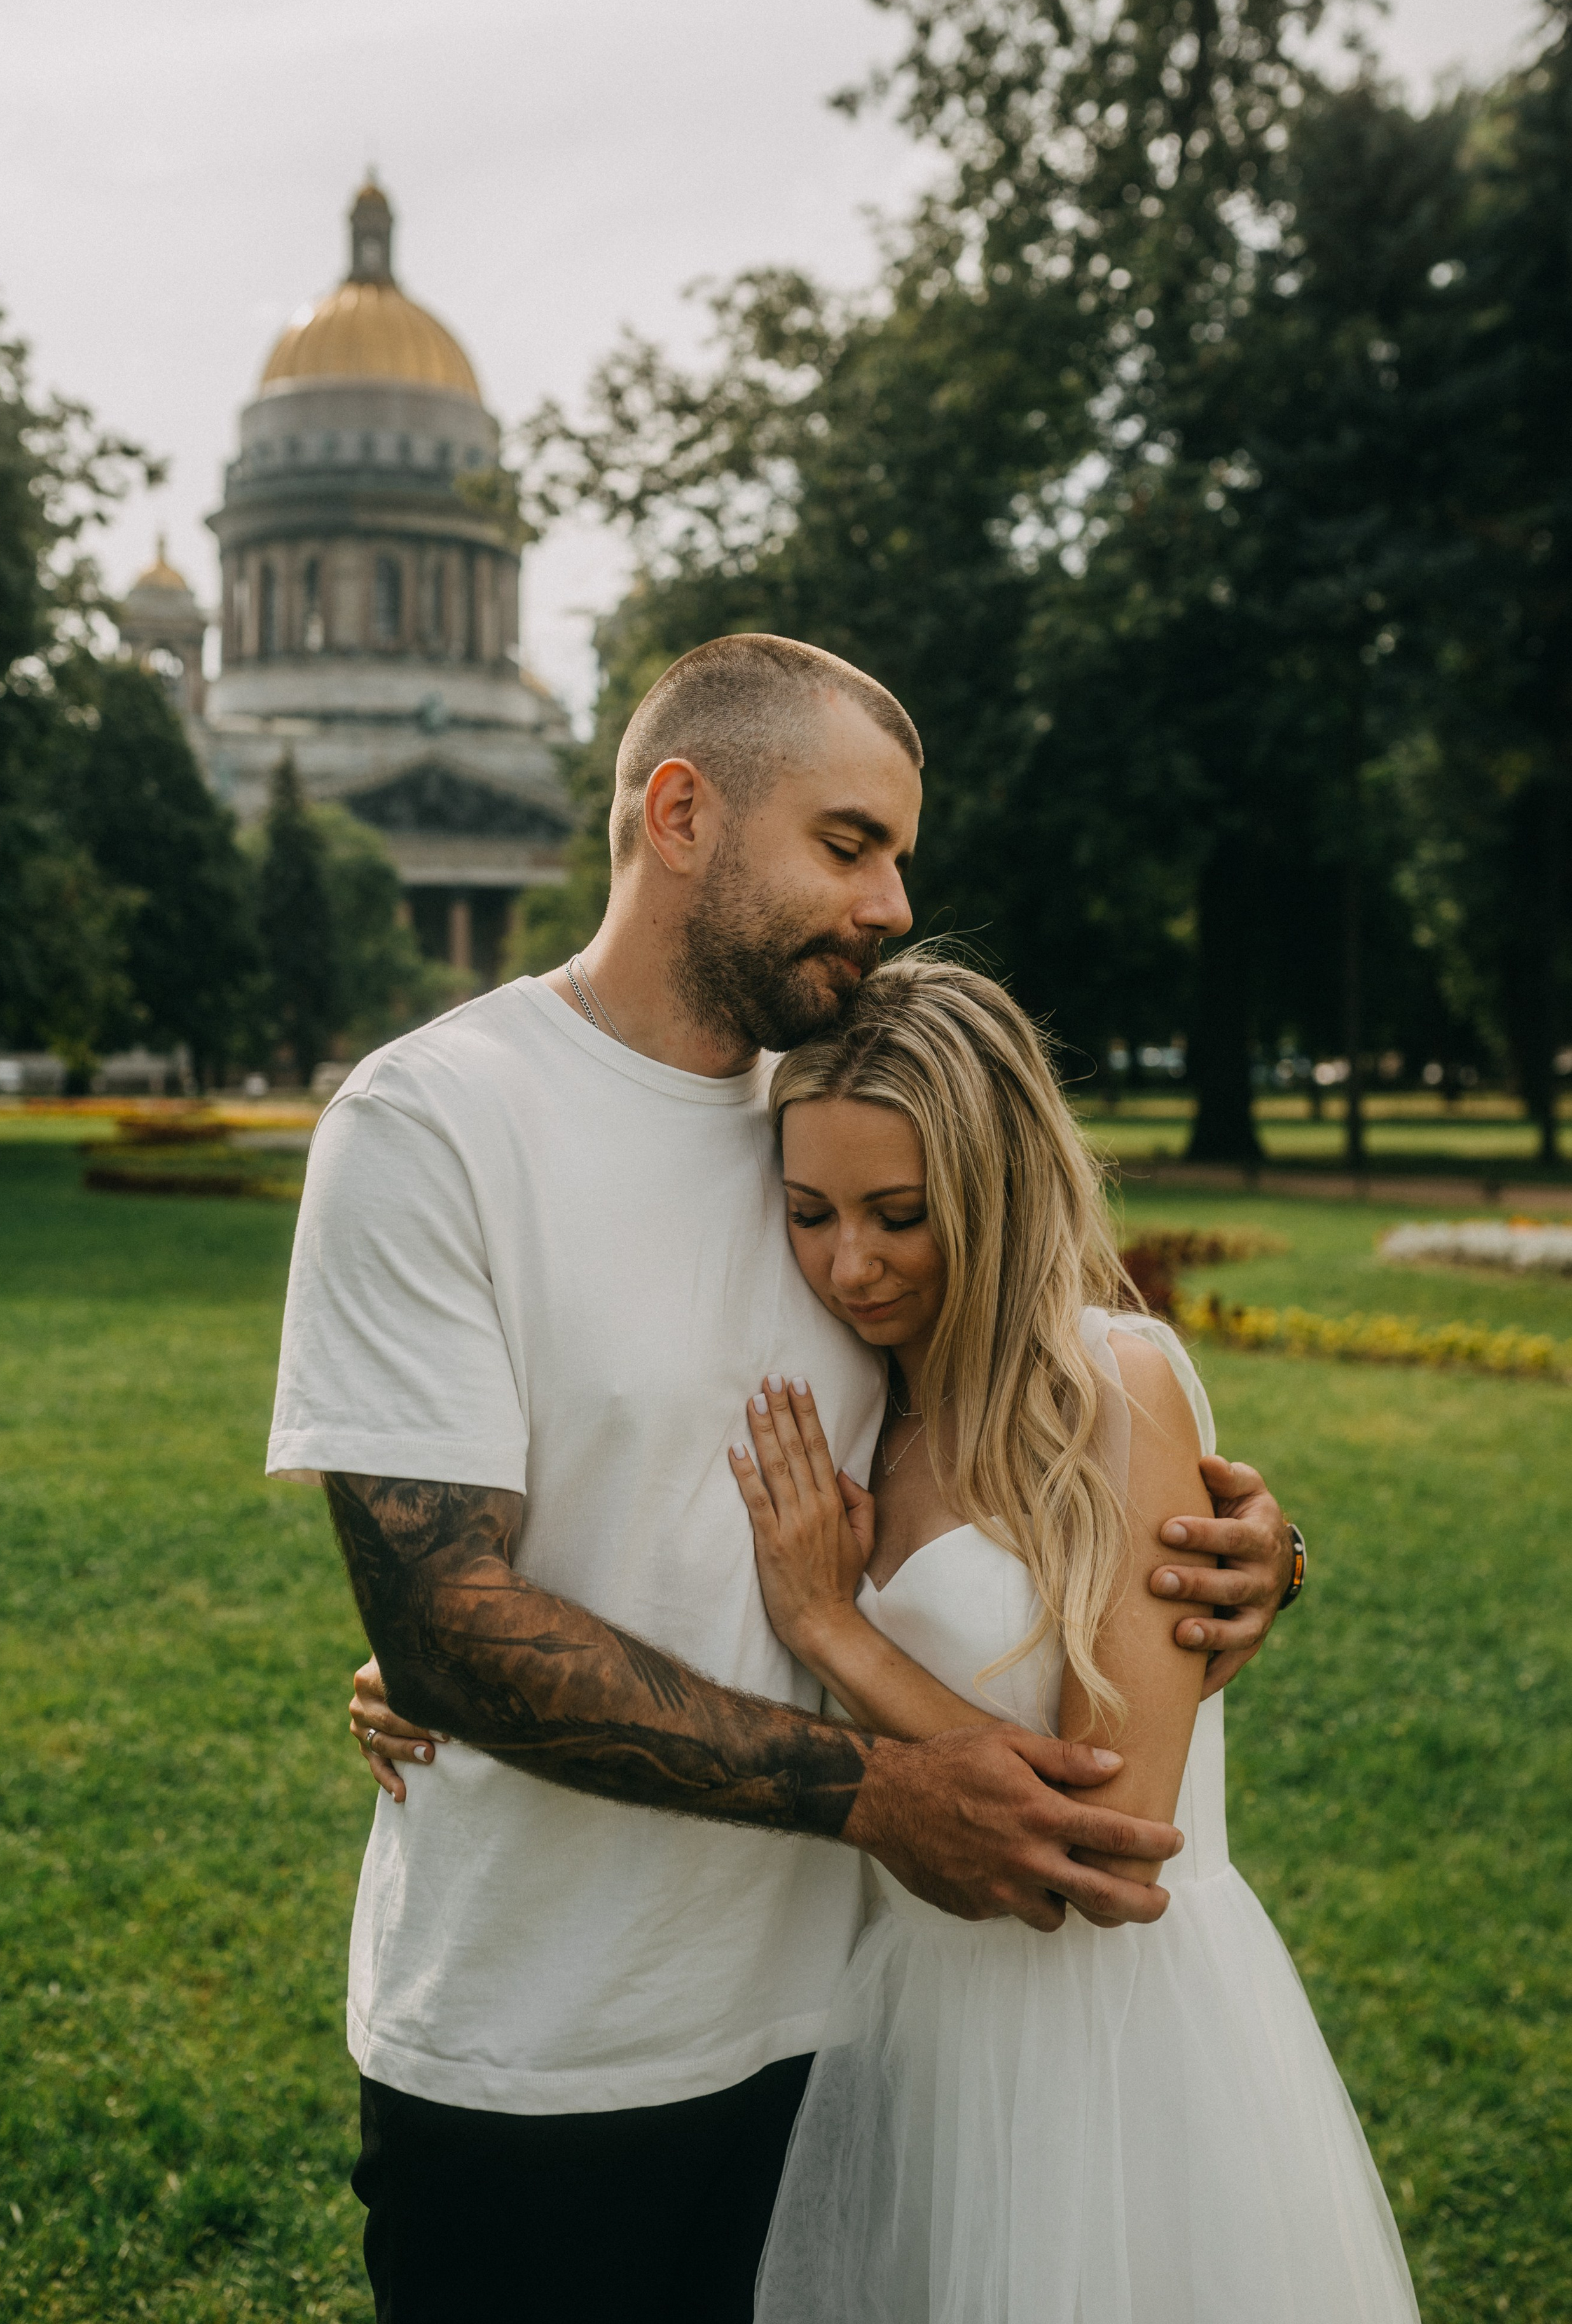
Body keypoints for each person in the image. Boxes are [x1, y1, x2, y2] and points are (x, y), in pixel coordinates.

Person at [275, 633, 1296, 2324]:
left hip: (860, 2036)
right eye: (849, 843)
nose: (896, 898)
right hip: (546, 2044)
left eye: (899, 852)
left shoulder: (835, 1119)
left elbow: (1022, 1435)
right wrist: (870, 1792)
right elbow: (453, 1616)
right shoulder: (434, 1123)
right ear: (683, 813)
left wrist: (1247, 1546)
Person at [715, 954, 1418, 2323]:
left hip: (1103, 2051)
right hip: (904, 2014)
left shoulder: (1115, 1388)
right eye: (808, 1213)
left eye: (898, 1216)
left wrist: (830, 1628)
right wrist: (429, 1661)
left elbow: (1113, 1842)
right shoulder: (857, 1399)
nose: (847, 1263)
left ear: (991, 1193)